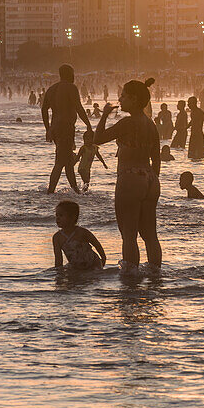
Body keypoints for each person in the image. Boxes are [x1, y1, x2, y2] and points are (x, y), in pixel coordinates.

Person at [94, 80, 161, 270]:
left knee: (129, 234)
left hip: (130, 178)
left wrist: (105, 115)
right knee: (150, 235)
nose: (120, 99)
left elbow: (97, 139)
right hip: (150, 179)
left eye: (123, 96)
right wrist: (149, 180)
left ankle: (131, 281)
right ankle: (155, 276)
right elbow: (156, 160)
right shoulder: (150, 124)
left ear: (134, 98)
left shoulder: (128, 122)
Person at [41, 64, 92, 193]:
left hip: (56, 128)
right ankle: (50, 191)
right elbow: (79, 108)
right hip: (66, 127)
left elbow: (44, 109)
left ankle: (76, 190)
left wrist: (48, 128)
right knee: (60, 161)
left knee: (68, 161)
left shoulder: (52, 89)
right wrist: (88, 124)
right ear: (70, 74)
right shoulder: (71, 87)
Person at [52, 200, 106, 271]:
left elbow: (96, 244)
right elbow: (58, 259)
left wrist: (103, 258)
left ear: (72, 217)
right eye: (57, 215)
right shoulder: (57, 237)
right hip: (76, 266)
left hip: (93, 264)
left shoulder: (82, 232)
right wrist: (58, 274)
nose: (57, 218)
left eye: (61, 215)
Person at [186, 96, 204, 160]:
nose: (188, 105)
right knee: (191, 156)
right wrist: (186, 127)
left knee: (199, 156)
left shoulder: (199, 112)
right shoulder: (193, 112)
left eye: (189, 103)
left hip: (199, 136)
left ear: (194, 103)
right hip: (193, 135)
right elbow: (192, 121)